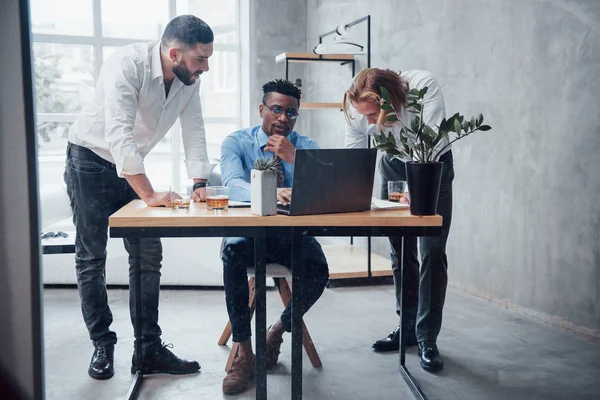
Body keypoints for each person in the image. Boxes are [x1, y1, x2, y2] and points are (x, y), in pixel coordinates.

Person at [64, 15, 215, 380]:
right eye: (200, 60)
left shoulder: (187, 78)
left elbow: (194, 127)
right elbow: (119, 133)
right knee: (91, 256)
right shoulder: (126, 65)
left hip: (132, 165)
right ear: (175, 53)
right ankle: (103, 343)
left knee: (148, 252)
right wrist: (148, 195)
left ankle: (148, 349)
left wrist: (199, 182)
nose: (206, 68)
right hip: (90, 159)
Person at [219, 79, 330, 394]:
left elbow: (327, 189)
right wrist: (268, 190)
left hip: (292, 235)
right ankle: (243, 351)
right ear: (261, 109)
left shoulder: (307, 147)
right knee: (232, 255)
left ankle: (277, 330)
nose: (283, 118)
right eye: (276, 110)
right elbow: (230, 183)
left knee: (319, 271)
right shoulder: (236, 142)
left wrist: (295, 158)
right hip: (249, 234)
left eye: (291, 113)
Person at [343, 68, 454, 372]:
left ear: (391, 102)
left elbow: (429, 143)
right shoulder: (357, 110)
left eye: (372, 114)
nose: (367, 122)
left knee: (432, 250)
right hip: (393, 163)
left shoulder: (424, 87)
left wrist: (414, 188)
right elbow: (354, 159)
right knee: (400, 251)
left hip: (432, 165)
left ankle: (426, 338)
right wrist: (350, 195)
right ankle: (406, 329)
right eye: (363, 115)